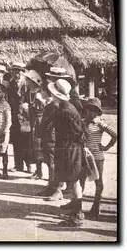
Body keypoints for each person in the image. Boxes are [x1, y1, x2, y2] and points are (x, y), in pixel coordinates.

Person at [48, 79, 87, 227]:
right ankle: (75, 207)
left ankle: (77, 214)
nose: (51, 96)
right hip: (69, 148)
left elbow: (79, 132)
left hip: (71, 149)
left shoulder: (65, 111)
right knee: (72, 180)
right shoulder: (65, 107)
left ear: (57, 95)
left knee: (74, 180)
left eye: (52, 94)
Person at [80, 98, 117, 220]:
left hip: (97, 157)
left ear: (97, 111)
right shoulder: (82, 122)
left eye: (94, 110)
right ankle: (78, 208)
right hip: (84, 157)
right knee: (81, 181)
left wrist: (106, 147)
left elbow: (115, 135)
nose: (91, 113)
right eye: (89, 109)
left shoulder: (100, 123)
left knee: (98, 183)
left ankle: (96, 208)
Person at [22, 70, 46, 179]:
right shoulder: (28, 93)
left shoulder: (40, 93)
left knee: (39, 146)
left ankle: (40, 171)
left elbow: (44, 108)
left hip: (39, 122)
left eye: (27, 80)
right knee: (32, 146)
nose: (26, 81)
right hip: (31, 121)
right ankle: (37, 169)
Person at [8, 62, 28, 172]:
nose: (17, 73)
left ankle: (29, 164)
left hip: (25, 116)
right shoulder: (11, 83)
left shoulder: (26, 84)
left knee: (26, 141)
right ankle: (18, 164)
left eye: (19, 71)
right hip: (14, 115)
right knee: (16, 140)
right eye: (15, 71)